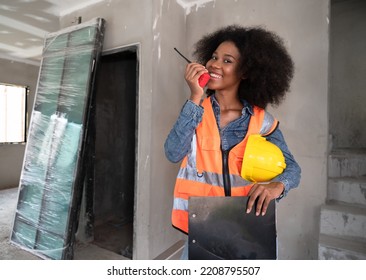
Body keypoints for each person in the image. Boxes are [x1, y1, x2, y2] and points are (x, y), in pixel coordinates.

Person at [164, 25, 301, 259]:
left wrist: (276, 186)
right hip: (203, 228)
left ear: (245, 72)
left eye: (227, 61)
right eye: (214, 57)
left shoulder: (263, 121)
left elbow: (293, 169)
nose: (214, 64)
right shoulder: (195, 111)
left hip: (250, 231)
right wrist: (195, 96)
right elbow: (173, 153)